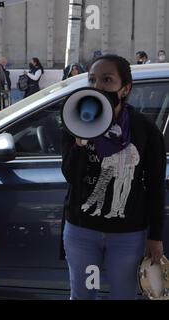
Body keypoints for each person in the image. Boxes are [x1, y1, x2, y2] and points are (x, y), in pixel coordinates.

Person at [61, 54, 165, 300]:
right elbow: (70, 175)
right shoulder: (75, 121)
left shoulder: (144, 130)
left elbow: (155, 185)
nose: (98, 86)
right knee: (84, 295)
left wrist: (155, 236)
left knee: (123, 295)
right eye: (92, 80)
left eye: (107, 80)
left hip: (127, 235)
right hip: (82, 232)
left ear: (125, 88)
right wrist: (80, 143)